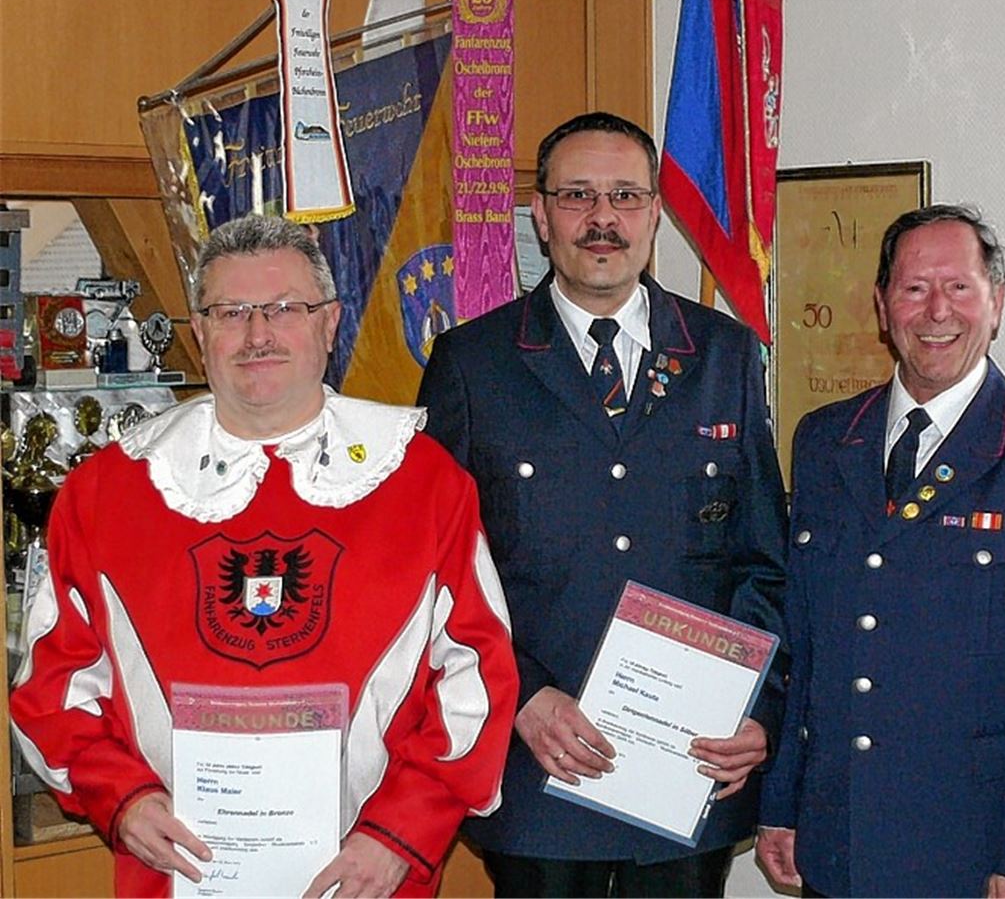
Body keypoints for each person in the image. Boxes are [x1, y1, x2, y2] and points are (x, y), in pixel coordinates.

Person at [8, 214, 519, 898]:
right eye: (231, 312)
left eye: (284, 308)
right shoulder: (107, 488)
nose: (258, 335)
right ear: (199, 332)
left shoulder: (422, 482)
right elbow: (52, 689)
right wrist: (122, 800)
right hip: (177, 874)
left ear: (329, 324)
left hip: (366, 877)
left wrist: (399, 834)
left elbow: (476, 679)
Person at [417, 112, 789, 897]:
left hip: (689, 771)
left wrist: (759, 710)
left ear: (655, 213)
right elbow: (433, 572)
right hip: (537, 772)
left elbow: (763, 559)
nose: (603, 219)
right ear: (541, 215)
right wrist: (516, 694)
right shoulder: (472, 364)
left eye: (625, 195)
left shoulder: (725, 355)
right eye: (578, 195)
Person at [755, 204, 1005, 898]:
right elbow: (805, 643)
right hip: (837, 847)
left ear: (997, 302)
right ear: (881, 305)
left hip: (978, 857)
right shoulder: (826, 440)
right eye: (913, 288)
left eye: (959, 287)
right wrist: (782, 802)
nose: (936, 311)